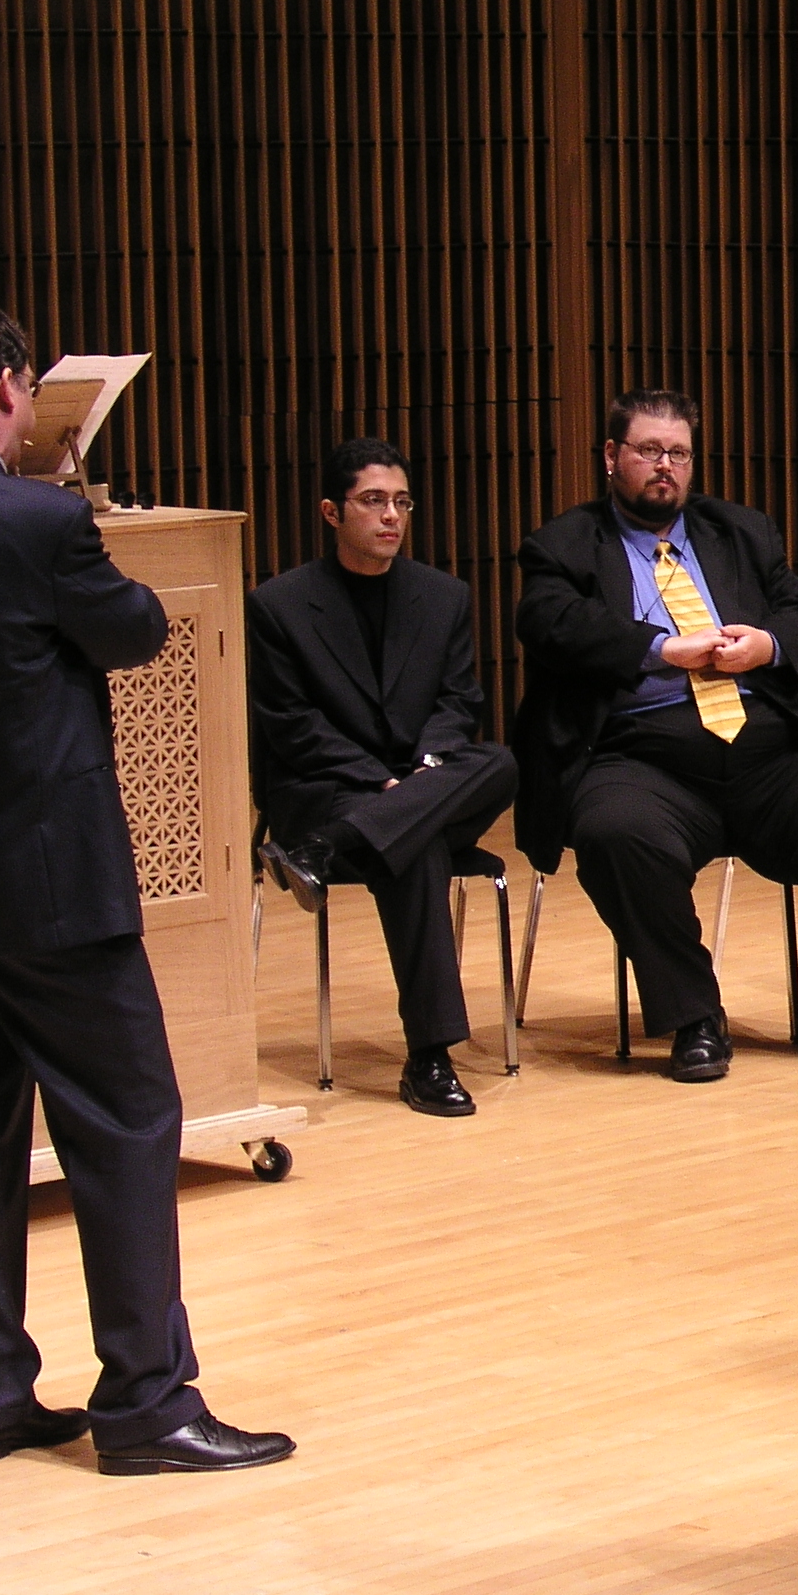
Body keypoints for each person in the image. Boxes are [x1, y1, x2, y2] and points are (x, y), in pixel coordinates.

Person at [0, 296, 292, 1475]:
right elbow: (137, 631)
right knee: (128, 1120)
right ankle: (146, 1404)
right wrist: (74, 513)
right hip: (52, 882)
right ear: (10, 388)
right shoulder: (39, 521)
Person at [512, 389, 798, 1079]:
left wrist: (767, 645)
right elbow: (551, 623)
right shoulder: (565, 543)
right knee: (613, 832)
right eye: (649, 451)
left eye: (680, 454)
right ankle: (694, 1014)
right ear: (612, 456)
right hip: (643, 753)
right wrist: (660, 649)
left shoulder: (741, 532)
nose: (665, 466)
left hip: (766, 748)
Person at [249, 437, 519, 1117]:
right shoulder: (279, 605)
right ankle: (429, 1059)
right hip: (326, 788)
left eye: (401, 502)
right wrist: (383, 785)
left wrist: (419, 775)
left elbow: (458, 703)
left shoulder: (443, 596)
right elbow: (292, 726)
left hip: (414, 786)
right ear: (331, 512)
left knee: (501, 761)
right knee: (415, 845)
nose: (391, 516)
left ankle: (321, 852)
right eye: (373, 501)